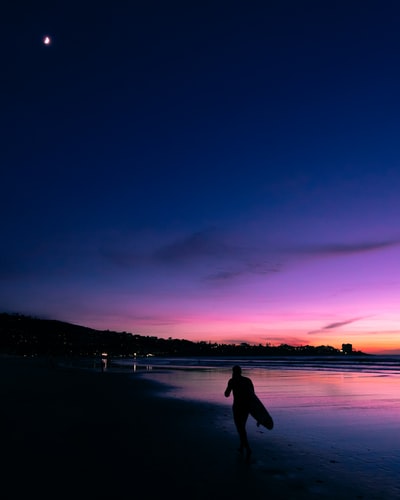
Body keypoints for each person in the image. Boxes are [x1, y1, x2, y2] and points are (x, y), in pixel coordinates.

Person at [224, 365, 254, 460]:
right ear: (241, 371)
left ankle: (248, 448)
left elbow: (226, 394)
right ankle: (242, 447)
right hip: (246, 407)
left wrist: (232, 383)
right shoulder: (247, 380)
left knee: (240, 428)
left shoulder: (232, 381)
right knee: (242, 426)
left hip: (237, 407)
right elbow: (253, 396)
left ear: (233, 372)